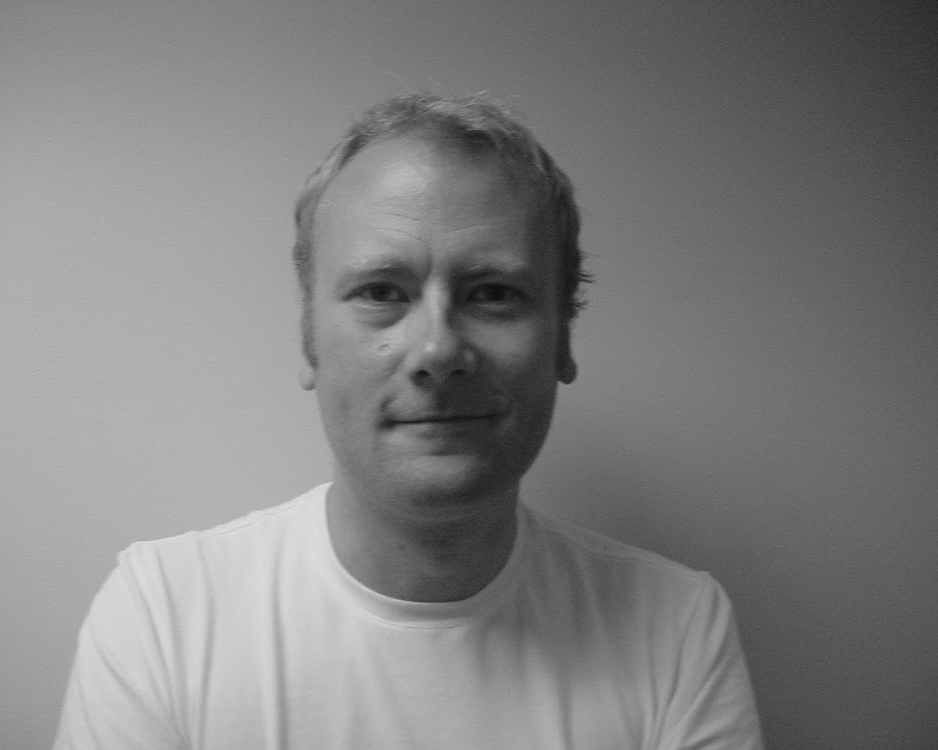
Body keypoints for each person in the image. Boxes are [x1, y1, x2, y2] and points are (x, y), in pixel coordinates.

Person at [53, 92, 764, 749]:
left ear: (562, 340)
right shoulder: (165, 615)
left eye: (492, 292)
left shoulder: (678, 628)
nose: (437, 351)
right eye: (381, 292)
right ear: (308, 339)